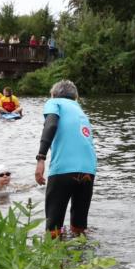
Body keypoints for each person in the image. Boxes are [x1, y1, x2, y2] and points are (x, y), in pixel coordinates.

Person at [35, 80, 97, 238]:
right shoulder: (80, 110)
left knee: (53, 229)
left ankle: (56, 260)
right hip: (88, 170)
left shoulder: (54, 102)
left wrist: (41, 158)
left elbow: (51, 125)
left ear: (53, 94)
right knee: (79, 228)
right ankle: (83, 259)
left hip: (63, 169)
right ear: (76, 97)